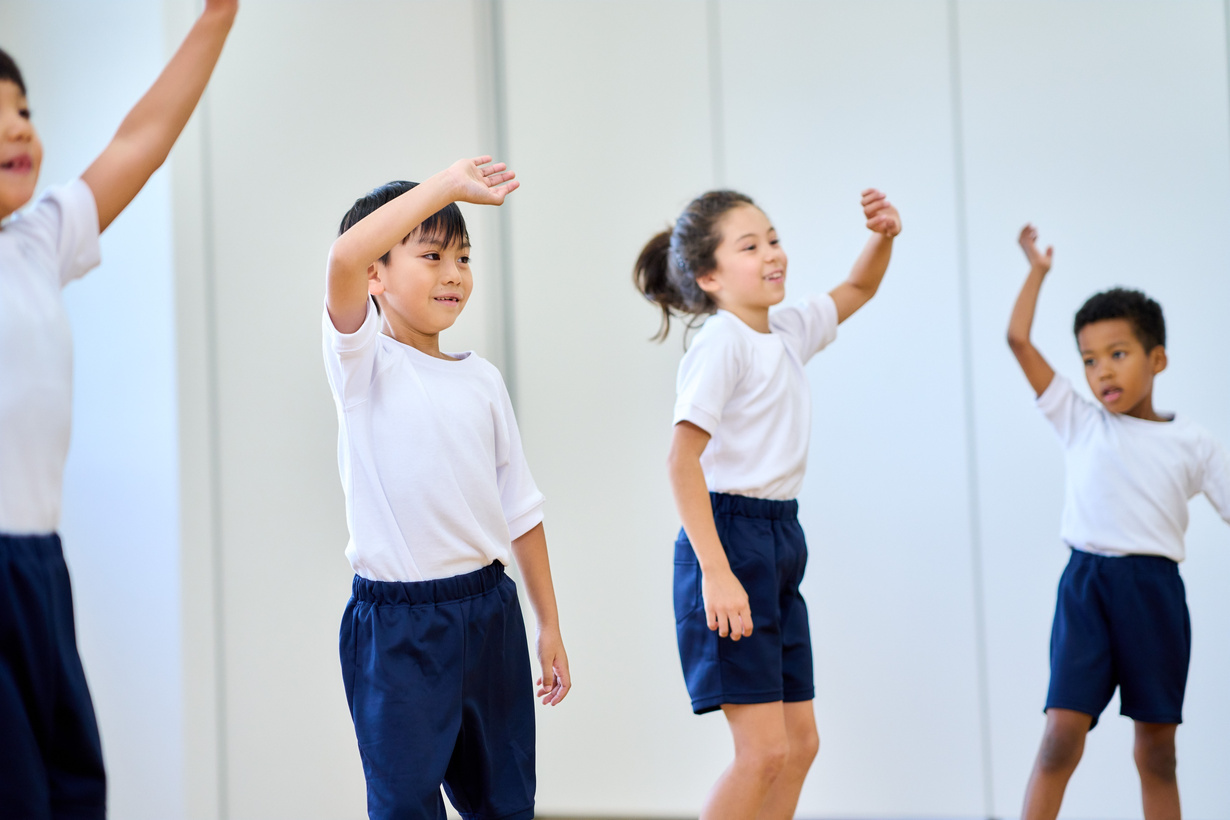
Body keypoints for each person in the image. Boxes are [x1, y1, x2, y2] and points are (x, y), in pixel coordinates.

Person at [0, 4, 237, 817]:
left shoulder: (39, 241)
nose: (17, 131)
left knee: (71, 787)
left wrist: (218, 15)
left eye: (22, 111)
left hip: (36, 567)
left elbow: (142, 138)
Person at [633, 187, 901, 820]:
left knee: (799, 745)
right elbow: (680, 461)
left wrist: (882, 236)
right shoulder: (721, 342)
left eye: (774, 239)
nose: (772, 254)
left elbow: (858, 290)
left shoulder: (786, 328)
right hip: (730, 540)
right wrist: (718, 573)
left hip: (780, 538)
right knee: (762, 752)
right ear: (710, 277)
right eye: (749, 246)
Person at [323, 156, 570, 820]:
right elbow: (342, 258)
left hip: (489, 614)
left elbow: (521, 508)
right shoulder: (363, 364)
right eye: (432, 255)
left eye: (463, 257)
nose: (454, 273)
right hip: (398, 629)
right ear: (377, 274)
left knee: (505, 802)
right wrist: (443, 187)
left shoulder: (482, 380)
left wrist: (548, 624)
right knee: (404, 807)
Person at [1007, 225, 1230, 820]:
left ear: (1157, 358)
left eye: (1118, 354)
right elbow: (1018, 339)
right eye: (1088, 360)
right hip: (1087, 589)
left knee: (1157, 751)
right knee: (1059, 737)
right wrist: (1037, 272)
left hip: (1154, 595)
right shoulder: (1082, 422)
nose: (1101, 371)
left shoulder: (1195, 442)